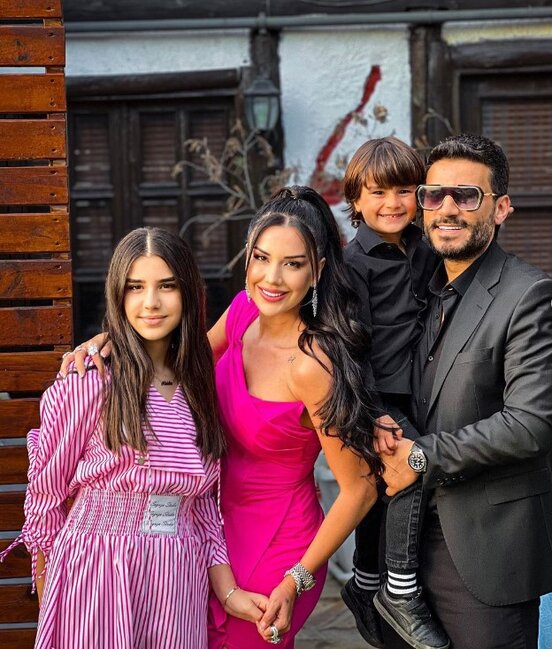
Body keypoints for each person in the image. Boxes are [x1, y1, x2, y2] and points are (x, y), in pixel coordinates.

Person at [61, 186, 382, 648]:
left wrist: (296, 580)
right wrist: (111, 340)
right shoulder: (242, 314)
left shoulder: (312, 366)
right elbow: (178, 362)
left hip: (276, 543)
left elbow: (360, 488)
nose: (272, 277)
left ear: (317, 271)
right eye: (261, 258)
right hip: (211, 527)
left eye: (293, 264)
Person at [0, 228, 268, 649]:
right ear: (117, 295)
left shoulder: (200, 387)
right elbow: (46, 497)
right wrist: (52, 595)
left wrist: (229, 592)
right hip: (97, 568)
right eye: (135, 287)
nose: (151, 302)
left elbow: (202, 508)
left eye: (167, 286)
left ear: (188, 293)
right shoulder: (89, 383)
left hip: (178, 574)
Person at [379, 134, 552, 649]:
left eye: (467, 195)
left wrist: (419, 457)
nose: (447, 209)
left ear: (500, 208)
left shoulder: (528, 294)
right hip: (406, 550)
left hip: (485, 550)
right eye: (434, 195)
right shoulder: (419, 288)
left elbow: (532, 424)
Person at [340, 136, 446, 649]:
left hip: (415, 390)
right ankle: (398, 590)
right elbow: (348, 346)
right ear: (356, 200)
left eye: (404, 190)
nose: (393, 203)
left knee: (383, 491)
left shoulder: (425, 249)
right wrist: (372, 411)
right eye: (378, 192)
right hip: (373, 395)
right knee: (411, 468)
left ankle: (364, 581)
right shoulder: (351, 265)